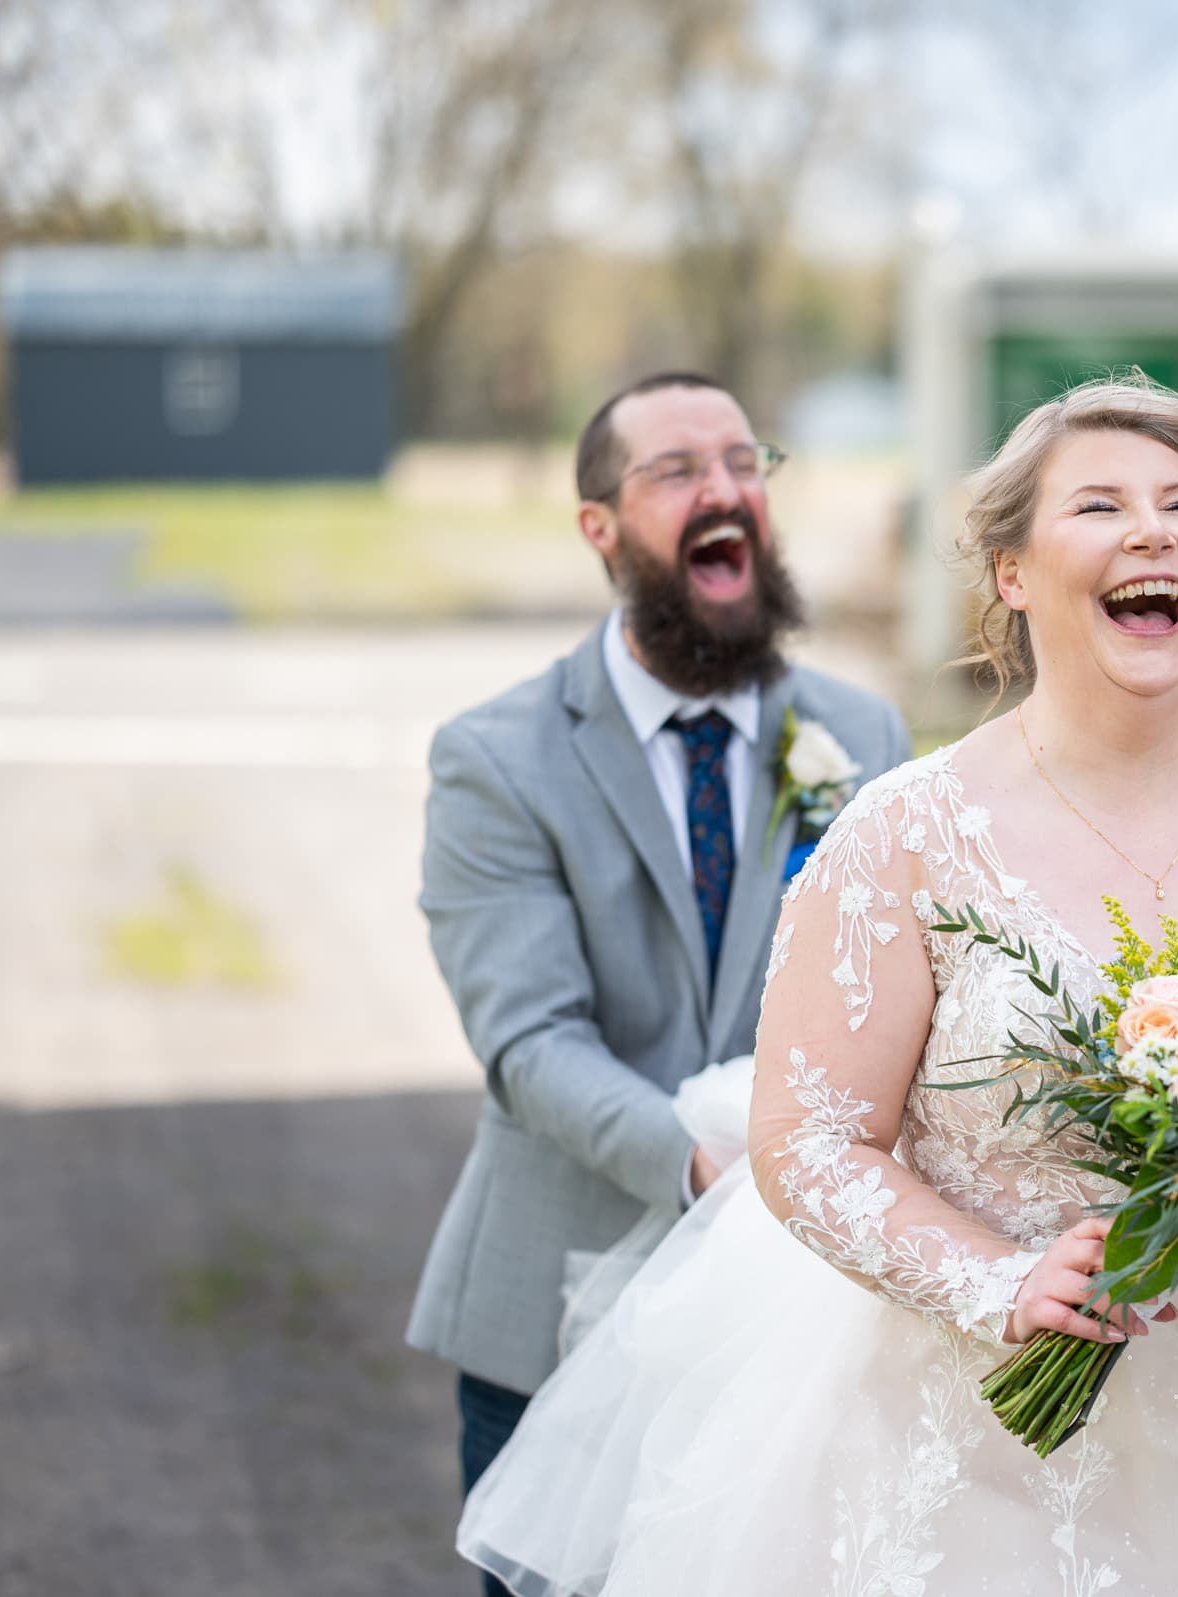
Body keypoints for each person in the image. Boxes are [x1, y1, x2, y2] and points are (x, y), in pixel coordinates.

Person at [458, 374, 1178, 1595]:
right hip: (976, 1462)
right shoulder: (907, 833)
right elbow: (807, 1142)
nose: (1151, 531)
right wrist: (998, 1278)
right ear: (1010, 572)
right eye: (1100, 505)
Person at [406, 371, 912, 1596]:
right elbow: (528, 1042)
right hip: (560, 1305)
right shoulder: (498, 758)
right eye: (678, 470)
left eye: (744, 461)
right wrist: (715, 1168)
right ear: (600, 526)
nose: (725, 489)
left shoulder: (867, 737)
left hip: (801, 1321)